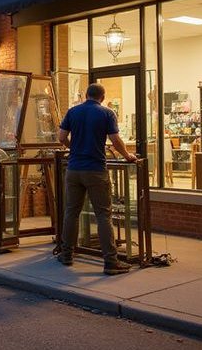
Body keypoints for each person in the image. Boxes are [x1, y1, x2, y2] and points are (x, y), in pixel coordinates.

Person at [56, 83, 137, 275]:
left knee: (71, 213)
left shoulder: (73, 112)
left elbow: (61, 137)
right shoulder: (107, 113)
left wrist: (73, 148)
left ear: (86, 95)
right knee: (103, 215)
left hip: (74, 169)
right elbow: (115, 140)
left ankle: (66, 254)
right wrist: (127, 156)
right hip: (96, 170)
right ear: (102, 97)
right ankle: (110, 262)